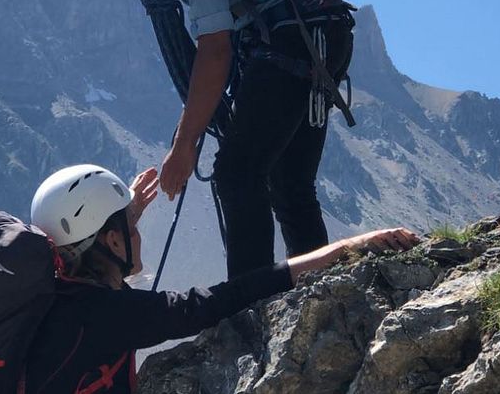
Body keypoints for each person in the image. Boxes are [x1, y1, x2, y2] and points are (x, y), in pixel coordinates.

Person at [47, 0, 358, 278]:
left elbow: (215, 49)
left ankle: (247, 310)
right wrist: (188, 128)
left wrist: (184, 146)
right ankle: (327, 291)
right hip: (314, 30)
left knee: (236, 175)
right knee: (287, 185)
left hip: (294, 37)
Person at [24, 164, 418, 393]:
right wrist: (343, 248)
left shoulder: (56, 295)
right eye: (130, 228)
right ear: (111, 240)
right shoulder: (111, 315)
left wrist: (123, 218)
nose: (139, 232)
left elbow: (100, 265)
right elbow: (223, 298)